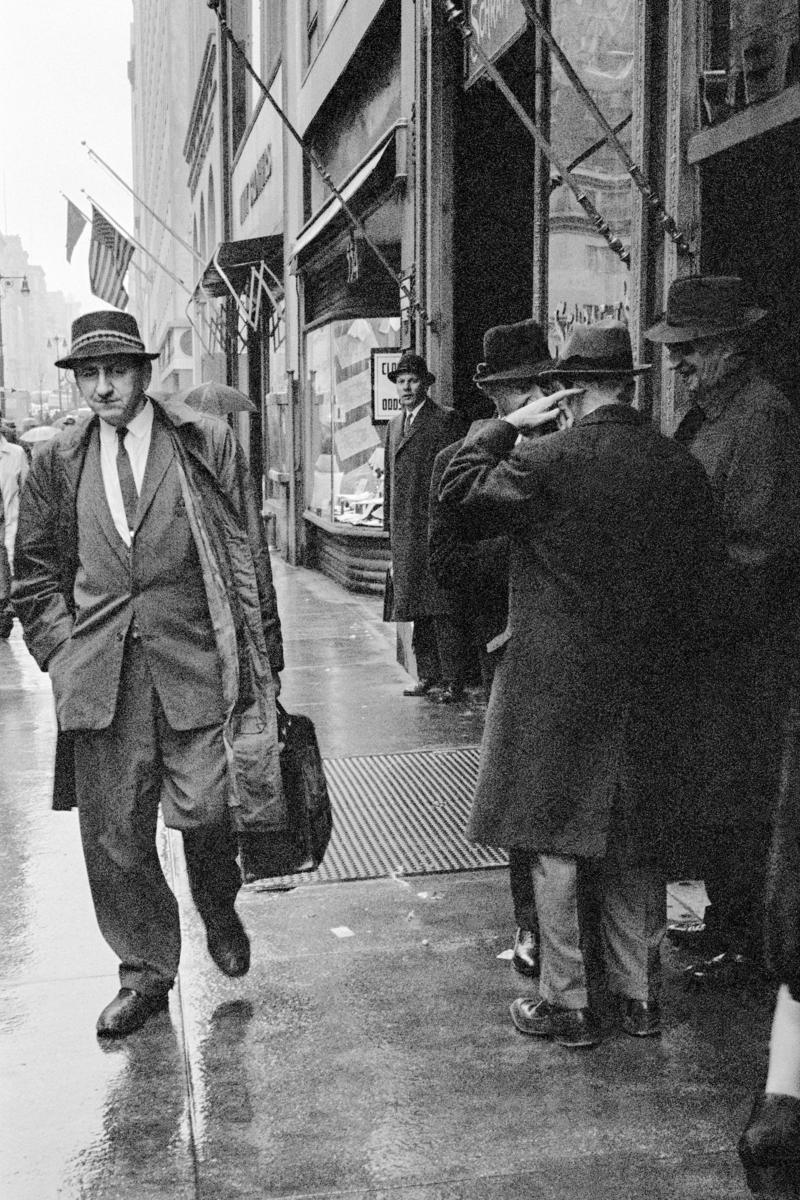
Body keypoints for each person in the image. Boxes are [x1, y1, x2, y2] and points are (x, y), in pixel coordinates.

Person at [440, 321, 727, 1048]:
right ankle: (638, 998)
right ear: (631, 385)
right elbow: (706, 579)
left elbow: (455, 493)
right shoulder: (678, 466)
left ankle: (565, 1004)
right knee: (634, 841)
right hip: (649, 681)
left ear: (568, 394)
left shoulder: (550, 461)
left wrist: (504, 426)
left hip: (556, 685)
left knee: (554, 842)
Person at [12, 310, 284, 1039]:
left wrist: (266, 662)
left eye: (117, 372)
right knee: (117, 836)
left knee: (210, 810)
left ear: (143, 373)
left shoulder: (203, 443)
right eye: (89, 374)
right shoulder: (56, 464)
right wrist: (62, 652)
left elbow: (246, 554)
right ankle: (144, 972)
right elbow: (33, 575)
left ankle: (217, 903)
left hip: (196, 663)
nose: (103, 387)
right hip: (101, 676)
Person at [645, 275, 800, 985]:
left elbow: (758, 547)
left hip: (740, 648)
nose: (677, 362)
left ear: (732, 347)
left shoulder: (761, 415)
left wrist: (683, 597)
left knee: (738, 794)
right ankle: (725, 924)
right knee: (712, 791)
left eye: (692, 348)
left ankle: (744, 943)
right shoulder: (712, 412)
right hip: (709, 642)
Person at [429, 318, 554, 979]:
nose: (526, 399)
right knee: (522, 797)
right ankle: (531, 923)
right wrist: (530, 553)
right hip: (511, 637)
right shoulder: (469, 454)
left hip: (576, 638)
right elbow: (446, 560)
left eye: (536, 385)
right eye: (513, 391)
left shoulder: (572, 445)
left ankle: (575, 927)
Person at [383, 351, 464, 702]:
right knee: (416, 607)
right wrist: (390, 529)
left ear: (426, 384)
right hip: (405, 531)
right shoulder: (393, 425)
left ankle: (453, 679)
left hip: (432, 526)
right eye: (401, 381)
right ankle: (427, 674)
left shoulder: (444, 421)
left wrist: (448, 524)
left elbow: (454, 475)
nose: (406, 387)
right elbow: (391, 481)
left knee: (441, 606)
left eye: (413, 380)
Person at [0, 419, 29, 637]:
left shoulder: (15, 453)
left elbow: (27, 491)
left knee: (6, 569)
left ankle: (5, 612)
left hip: (8, 522)